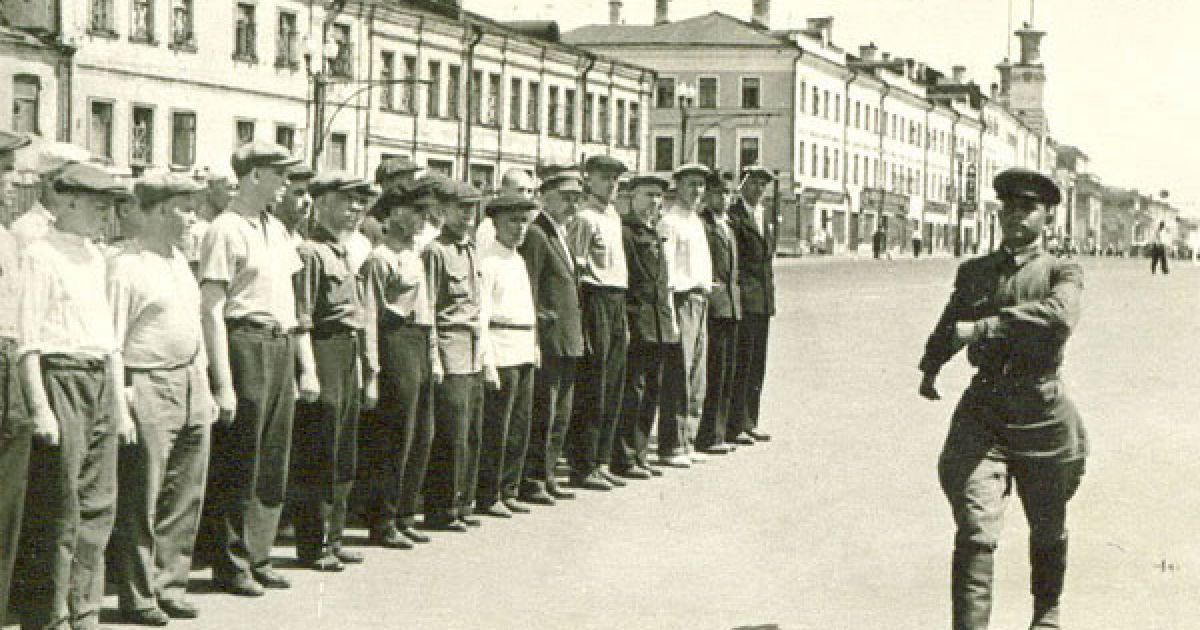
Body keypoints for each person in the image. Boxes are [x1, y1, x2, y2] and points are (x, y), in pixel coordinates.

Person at [919, 168, 1087, 630]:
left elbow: (1058, 317)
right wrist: (930, 366)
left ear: (1046, 217)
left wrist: (985, 327)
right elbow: (951, 320)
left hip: (1042, 409)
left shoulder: (1061, 270)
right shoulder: (975, 272)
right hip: (986, 409)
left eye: (1027, 208)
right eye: (1009, 208)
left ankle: (1046, 616)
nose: (1016, 216)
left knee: (1048, 522)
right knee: (976, 527)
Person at [14, 159, 136, 630]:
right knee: (60, 508)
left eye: (109, 207)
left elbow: (109, 339)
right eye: (96, 205)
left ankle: (84, 610)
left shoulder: (95, 257)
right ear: (65, 202)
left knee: (99, 505)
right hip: (59, 376)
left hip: (100, 381)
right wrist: (41, 408)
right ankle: (49, 615)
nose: (105, 216)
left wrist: (120, 406)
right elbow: (29, 341)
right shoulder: (40, 255)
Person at [196, 142, 318, 597]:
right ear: (252, 176)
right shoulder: (225, 229)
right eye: (278, 174)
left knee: (271, 458)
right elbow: (211, 307)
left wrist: (304, 366)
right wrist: (223, 382)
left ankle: (258, 554)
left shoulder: (278, 230)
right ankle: (230, 562)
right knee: (239, 457)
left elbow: (292, 302)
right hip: (244, 340)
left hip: (279, 342)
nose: (286, 184)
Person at [107, 173, 214, 624]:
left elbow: (196, 326)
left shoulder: (178, 263)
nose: (192, 217)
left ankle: (171, 583)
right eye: (183, 207)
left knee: (185, 492)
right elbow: (111, 340)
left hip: (189, 381)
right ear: (155, 210)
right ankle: (138, 593)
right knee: (143, 495)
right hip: (146, 382)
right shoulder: (125, 266)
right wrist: (120, 401)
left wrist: (205, 385)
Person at [290, 172, 372, 572]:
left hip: (347, 350)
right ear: (321, 204)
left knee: (344, 449)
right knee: (319, 450)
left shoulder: (344, 251)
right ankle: (314, 542)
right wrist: (308, 371)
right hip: (323, 348)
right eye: (346, 201)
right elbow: (302, 318)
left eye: (360, 202)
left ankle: (334, 538)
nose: (356, 209)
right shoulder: (310, 253)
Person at [360, 185, 437, 549]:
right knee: (394, 435)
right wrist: (372, 369)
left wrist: (433, 356)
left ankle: (405, 511)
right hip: (395, 343)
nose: (422, 218)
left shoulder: (416, 256)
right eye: (414, 211)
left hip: (418, 342)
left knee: (419, 433)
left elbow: (428, 311)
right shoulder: (380, 258)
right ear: (392, 215)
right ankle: (383, 518)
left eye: (424, 212)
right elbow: (371, 315)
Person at [516, 165, 585, 506]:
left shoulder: (561, 232)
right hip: (551, 336)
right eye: (565, 198)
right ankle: (532, 479)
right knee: (545, 410)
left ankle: (546, 475)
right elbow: (529, 285)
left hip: (569, 337)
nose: (572, 205)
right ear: (545, 197)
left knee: (562, 412)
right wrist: (544, 320)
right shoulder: (537, 234)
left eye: (576, 198)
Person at [421, 174, 485, 531]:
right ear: (443, 210)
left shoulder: (471, 248)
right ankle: (441, 508)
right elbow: (428, 308)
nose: (467, 216)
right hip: (449, 348)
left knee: (471, 432)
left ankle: (463, 502)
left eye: (472, 210)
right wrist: (434, 357)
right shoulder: (436, 251)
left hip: (473, 349)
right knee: (451, 434)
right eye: (460, 210)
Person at [566, 155, 629, 491]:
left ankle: (602, 460)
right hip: (595, 299)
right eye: (605, 179)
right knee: (595, 382)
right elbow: (576, 271)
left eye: (616, 180)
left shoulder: (613, 216)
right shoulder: (584, 218)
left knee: (614, 382)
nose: (612, 185)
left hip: (616, 299)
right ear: (589, 180)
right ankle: (584, 463)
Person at [474, 194, 539, 518]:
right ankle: (489, 493)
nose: (520, 228)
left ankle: (509, 488)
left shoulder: (518, 259)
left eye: (524, 221)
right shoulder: (488, 261)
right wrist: (487, 362)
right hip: (501, 349)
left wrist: (534, 346)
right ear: (496, 223)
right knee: (497, 428)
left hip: (523, 347)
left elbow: (527, 308)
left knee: (519, 426)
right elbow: (482, 315)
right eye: (513, 221)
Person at [611, 173, 676, 479]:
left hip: (658, 323)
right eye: (648, 195)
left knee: (652, 389)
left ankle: (638, 453)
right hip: (638, 321)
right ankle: (624, 456)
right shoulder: (625, 232)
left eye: (658, 196)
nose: (654, 202)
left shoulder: (653, 231)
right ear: (632, 197)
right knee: (633, 390)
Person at [657, 163, 714, 465]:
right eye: (691, 184)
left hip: (700, 300)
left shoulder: (695, 221)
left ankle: (688, 439)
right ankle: (672, 444)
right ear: (677, 185)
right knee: (678, 374)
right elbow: (665, 271)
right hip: (681, 301)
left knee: (696, 374)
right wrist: (669, 315)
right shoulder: (670, 222)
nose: (696, 191)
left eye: (701, 185)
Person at [0, 130, 31, 622]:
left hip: (9, 362)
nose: (12, 182)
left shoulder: (6, 237)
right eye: (2, 172)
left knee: (8, 497)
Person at [728, 165, 776, 445]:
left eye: (763, 185)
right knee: (742, 363)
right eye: (754, 184)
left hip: (764, 301)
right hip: (745, 299)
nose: (759, 190)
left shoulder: (764, 215)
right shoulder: (735, 216)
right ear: (743, 185)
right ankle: (737, 422)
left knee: (757, 364)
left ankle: (751, 420)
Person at [697, 170, 741, 455]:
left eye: (727, 193)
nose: (723, 198)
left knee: (728, 371)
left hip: (732, 305)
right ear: (708, 195)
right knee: (714, 371)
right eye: (718, 193)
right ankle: (708, 434)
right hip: (715, 305)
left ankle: (721, 431)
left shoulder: (728, 225)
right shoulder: (703, 225)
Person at [476, 168, 537, 250]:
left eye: (529, 191)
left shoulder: (527, 224)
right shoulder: (489, 228)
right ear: (503, 192)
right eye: (520, 190)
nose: (526, 196)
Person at [273, 164, 314, 246]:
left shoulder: (299, 241)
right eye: (299, 193)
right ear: (280, 195)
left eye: (311, 195)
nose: (308, 200)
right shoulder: (268, 235)